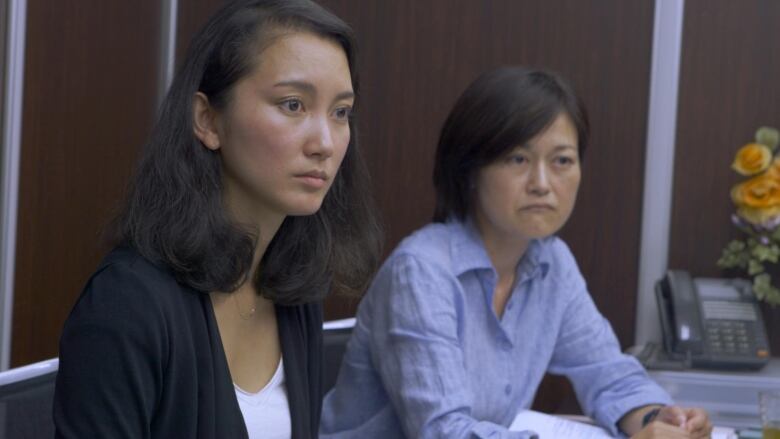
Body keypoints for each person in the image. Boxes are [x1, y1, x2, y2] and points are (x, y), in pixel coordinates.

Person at [320, 67, 712, 438]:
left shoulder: (551, 261)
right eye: (518, 159)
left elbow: (606, 371)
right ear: (470, 170)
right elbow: (444, 431)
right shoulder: (421, 271)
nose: (542, 183)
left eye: (562, 161)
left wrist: (656, 417)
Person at [53, 1, 381, 438]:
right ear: (207, 119)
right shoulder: (128, 303)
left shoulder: (295, 292)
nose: (324, 142)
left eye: (340, 112)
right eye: (292, 104)